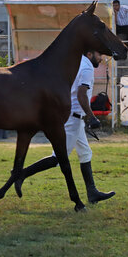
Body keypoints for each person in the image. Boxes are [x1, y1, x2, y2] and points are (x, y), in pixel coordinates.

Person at [13, 50, 115, 204]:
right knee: (57, 158)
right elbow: (81, 95)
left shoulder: (76, 61)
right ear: (89, 54)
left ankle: (92, 192)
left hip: (74, 117)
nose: (101, 59)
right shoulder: (86, 67)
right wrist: (92, 117)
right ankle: (21, 174)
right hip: (74, 119)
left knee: (85, 153)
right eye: (99, 55)